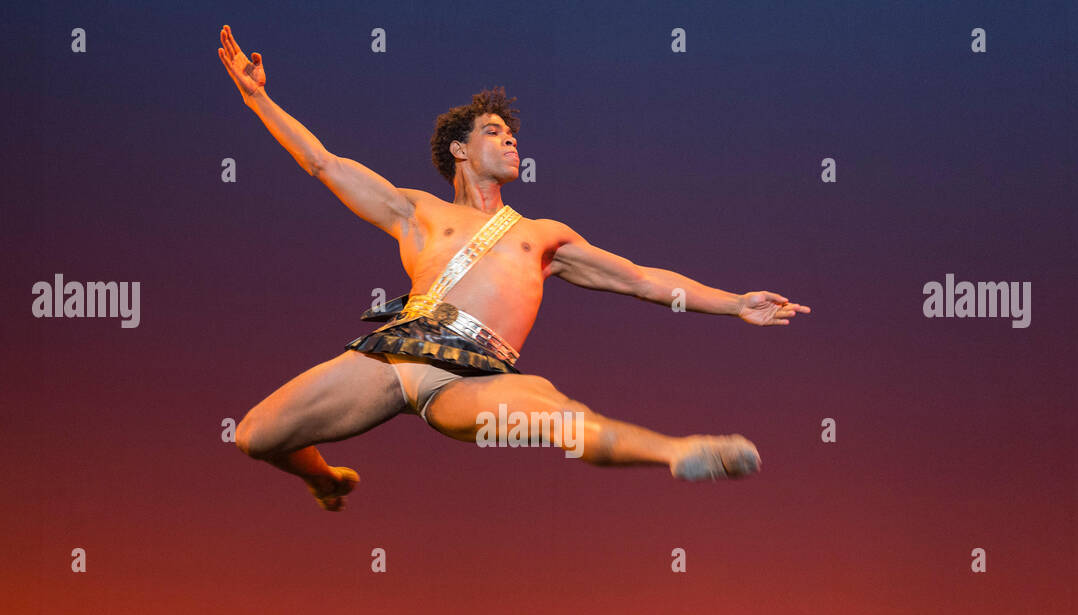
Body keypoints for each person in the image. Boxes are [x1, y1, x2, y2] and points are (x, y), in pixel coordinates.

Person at [218, 25, 810, 511]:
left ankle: (678, 452)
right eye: (494, 133)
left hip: (469, 380)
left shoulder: (540, 236)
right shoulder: (416, 211)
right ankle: (323, 479)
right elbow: (323, 163)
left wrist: (734, 302)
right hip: (392, 357)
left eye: (513, 137)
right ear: (458, 149)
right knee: (255, 435)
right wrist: (258, 99)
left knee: (566, 423)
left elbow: (640, 278)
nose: (511, 143)